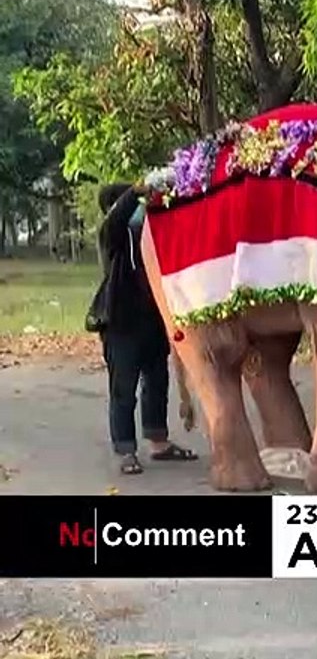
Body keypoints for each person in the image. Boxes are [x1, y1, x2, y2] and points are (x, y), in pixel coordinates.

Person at [92, 183, 197, 475]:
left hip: (152, 321)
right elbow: (116, 218)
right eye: (132, 204)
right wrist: (135, 192)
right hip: (122, 324)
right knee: (123, 389)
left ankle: (158, 442)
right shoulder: (112, 237)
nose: (139, 209)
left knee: (156, 382)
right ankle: (126, 450)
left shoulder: (148, 233)